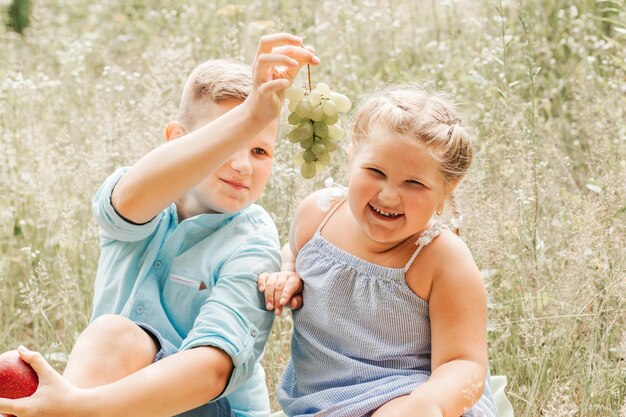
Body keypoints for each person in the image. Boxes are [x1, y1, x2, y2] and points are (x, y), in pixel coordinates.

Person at [0, 33, 320, 417]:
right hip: (102, 396)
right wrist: (250, 115)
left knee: (111, 337)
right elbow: (132, 198)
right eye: (224, 142)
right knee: (21, 369)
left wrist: (79, 406)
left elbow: (211, 371)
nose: (243, 165)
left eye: (259, 150)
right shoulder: (141, 195)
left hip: (203, 408)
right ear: (178, 141)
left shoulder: (252, 240)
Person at [258, 85, 499, 417]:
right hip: (321, 402)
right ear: (351, 157)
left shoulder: (441, 260)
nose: (388, 195)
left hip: (408, 397)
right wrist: (288, 271)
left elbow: (464, 362)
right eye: (375, 172)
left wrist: (428, 404)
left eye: (413, 183)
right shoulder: (317, 215)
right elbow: (295, 251)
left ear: (446, 190)